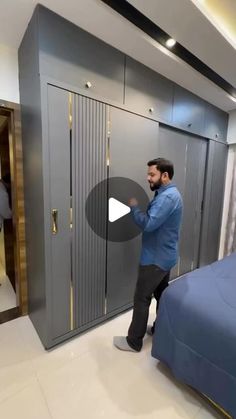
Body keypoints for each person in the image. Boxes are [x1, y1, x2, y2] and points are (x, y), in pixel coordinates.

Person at [113, 158, 183, 352]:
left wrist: (134, 207)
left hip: (155, 260)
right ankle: (160, 329)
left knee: (142, 298)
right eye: (148, 174)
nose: (148, 178)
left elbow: (149, 223)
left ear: (165, 175)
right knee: (161, 294)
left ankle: (133, 342)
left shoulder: (168, 198)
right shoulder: (168, 194)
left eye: (152, 174)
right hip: (166, 257)